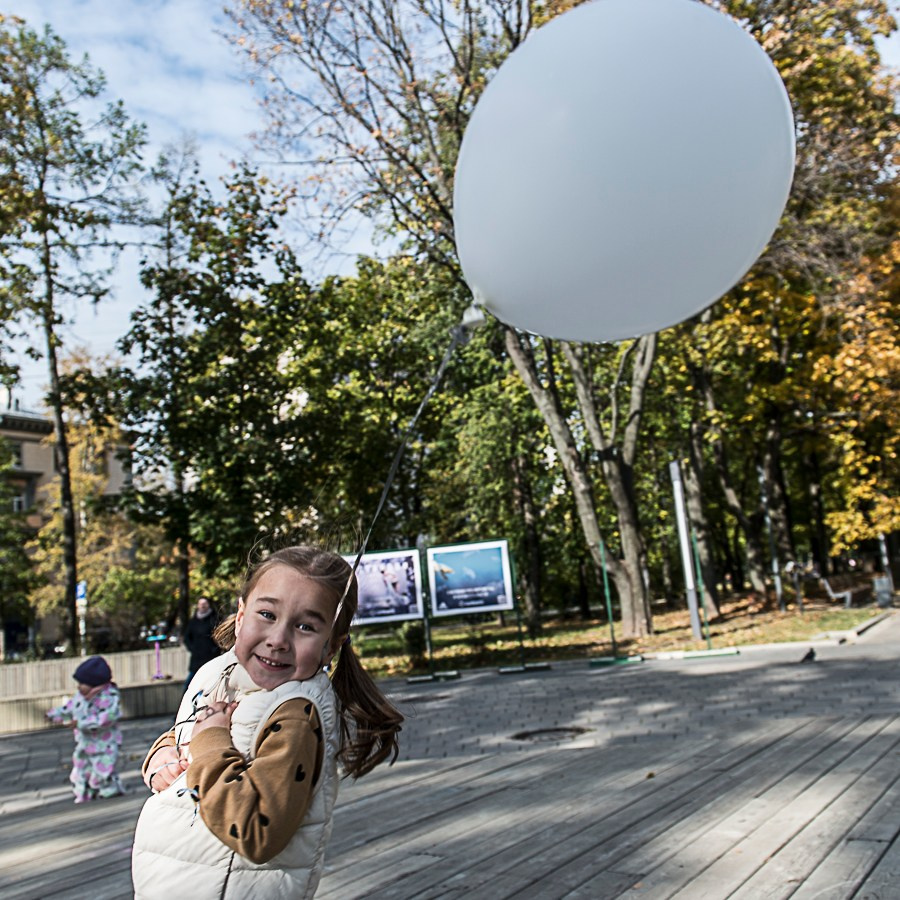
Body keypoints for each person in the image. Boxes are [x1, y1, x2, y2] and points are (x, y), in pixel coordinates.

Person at [131, 545, 404, 899]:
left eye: (305, 626)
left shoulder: (296, 713)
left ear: (331, 647)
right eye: (267, 614)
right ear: (242, 614)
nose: (278, 640)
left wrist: (211, 742)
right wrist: (161, 758)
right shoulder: (218, 673)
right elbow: (187, 734)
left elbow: (257, 831)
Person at [45, 655, 125, 803]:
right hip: (85, 744)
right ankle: (84, 791)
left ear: (95, 683)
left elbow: (107, 718)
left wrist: (80, 723)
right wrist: (53, 715)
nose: (79, 686)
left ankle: (109, 789)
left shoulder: (108, 696)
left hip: (104, 744)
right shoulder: (80, 697)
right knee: (81, 768)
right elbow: (68, 708)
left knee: (103, 769)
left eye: (82, 683)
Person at [183, 596, 221, 690]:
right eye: (201, 604)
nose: (203, 606)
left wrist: (215, 650)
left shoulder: (214, 619)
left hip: (211, 658)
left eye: (205, 604)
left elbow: (220, 636)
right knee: (189, 686)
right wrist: (193, 649)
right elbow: (187, 638)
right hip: (197, 659)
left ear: (208, 605)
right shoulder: (193, 621)